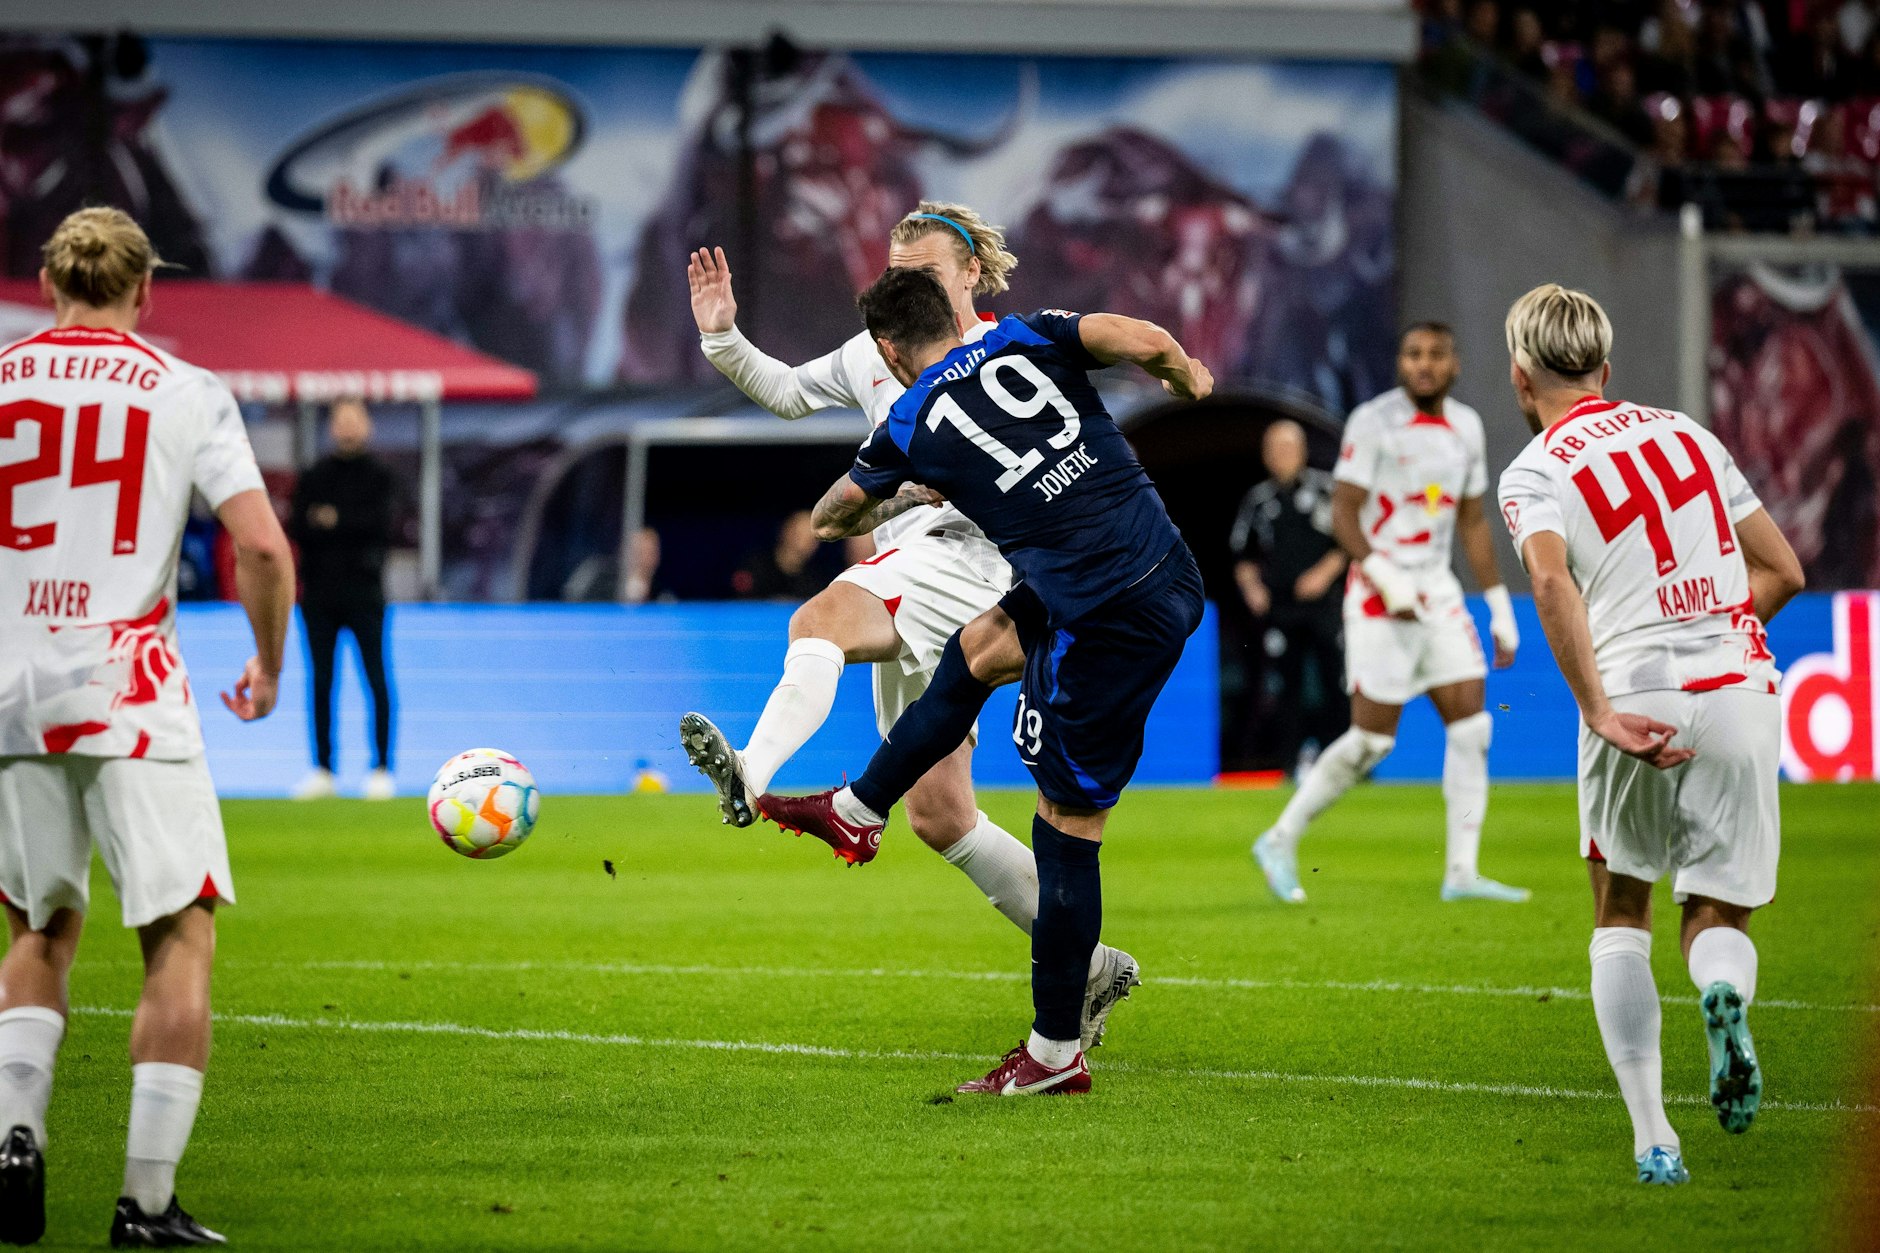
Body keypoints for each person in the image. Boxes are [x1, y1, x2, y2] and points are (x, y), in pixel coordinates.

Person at [678, 205, 1143, 1047]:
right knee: (939, 814)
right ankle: (1092, 963)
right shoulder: (876, 350)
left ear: (971, 274)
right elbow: (786, 393)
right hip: (913, 561)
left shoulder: (1012, 353)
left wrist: (921, 492)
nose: (908, 287)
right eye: (897, 272)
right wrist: (722, 338)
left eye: (925, 272)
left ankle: (752, 773)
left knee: (818, 617)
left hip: (973, 566)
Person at [757, 268, 1211, 1095]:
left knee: (1066, 822)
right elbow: (1141, 340)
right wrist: (1187, 374)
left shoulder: (908, 420)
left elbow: (830, 516)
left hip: (1108, 617)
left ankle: (1051, 1054)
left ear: (890, 350)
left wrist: (898, 490)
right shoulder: (1024, 332)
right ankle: (859, 808)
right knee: (979, 646)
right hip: (1161, 564)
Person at [0, 207, 294, 1244]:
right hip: (125, 688)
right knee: (179, 932)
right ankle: (146, 1201)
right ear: (145, 292)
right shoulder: (182, 387)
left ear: (47, 284)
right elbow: (257, 546)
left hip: (9, 691)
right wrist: (267, 657)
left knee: (39, 925)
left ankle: (15, 1134)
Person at [1496, 283, 1804, 1186]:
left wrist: (1597, 705)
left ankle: (1653, 1137)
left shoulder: (1535, 468)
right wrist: (1715, 639)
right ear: (1606, 367)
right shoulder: (1690, 433)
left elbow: (1554, 585)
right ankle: (1724, 994)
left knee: (1620, 908)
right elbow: (1782, 568)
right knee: (1717, 909)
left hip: (1636, 686)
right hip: (1739, 680)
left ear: (1520, 376)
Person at [1252, 323, 1528, 905]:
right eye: (1412, 355)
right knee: (1372, 743)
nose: (1423, 365)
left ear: (1454, 364)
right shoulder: (1373, 422)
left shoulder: (1467, 427)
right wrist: (1383, 573)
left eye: (1435, 355)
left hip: (1438, 593)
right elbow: (1345, 515)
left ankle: (1461, 871)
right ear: (1400, 364)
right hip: (1381, 595)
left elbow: (1473, 522)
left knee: (1473, 728)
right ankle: (1280, 837)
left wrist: (1500, 605)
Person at [288, 398, 397, 801]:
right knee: (321, 681)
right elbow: (300, 526)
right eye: (341, 420)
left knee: (376, 677)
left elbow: (381, 525)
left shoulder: (380, 475)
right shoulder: (314, 475)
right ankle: (322, 769)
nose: (348, 427)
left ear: (367, 425)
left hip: (365, 593)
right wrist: (341, 524)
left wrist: (335, 520)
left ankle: (382, 767)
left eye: (355, 419)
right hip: (318, 594)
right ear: (331, 426)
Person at [1229, 419, 1347, 771]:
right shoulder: (1259, 501)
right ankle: (1289, 762)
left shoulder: (1327, 490)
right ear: (1266, 455)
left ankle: (1341, 763)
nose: (1281, 455)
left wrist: (1322, 575)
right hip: (1281, 609)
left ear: (1302, 451)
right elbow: (1242, 555)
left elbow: (1349, 542)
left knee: (1334, 682)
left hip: (1325, 607)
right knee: (1284, 688)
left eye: (1288, 448)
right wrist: (1252, 589)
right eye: (1274, 449)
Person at [729, 510, 824, 601]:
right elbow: (740, 601)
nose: (806, 542)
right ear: (786, 531)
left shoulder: (817, 580)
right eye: (800, 534)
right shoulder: (755, 566)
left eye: (812, 537)